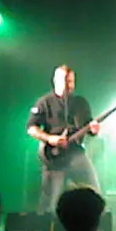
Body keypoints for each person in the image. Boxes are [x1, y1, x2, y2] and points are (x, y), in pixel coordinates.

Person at [26, 65, 101, 214]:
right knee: (53, 201)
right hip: (54, 157)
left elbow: (88, 126)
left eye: (71, 81)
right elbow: (31, 128)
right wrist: (50, 138)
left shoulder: (80, 102)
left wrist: (94, 130)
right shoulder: (44, 102)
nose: (69, 85)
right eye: (65, 81)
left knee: (94, 192)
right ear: (55, 81)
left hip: (76, 153)